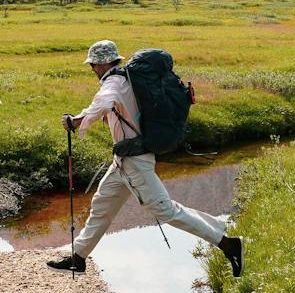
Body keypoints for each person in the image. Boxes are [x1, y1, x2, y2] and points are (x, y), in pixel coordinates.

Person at [47, 39, 244, 277]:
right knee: (102, 206)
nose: (92, 69)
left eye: (94, 64)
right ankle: (78, 257)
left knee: (166, 211)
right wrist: (82, 117)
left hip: (135, 163)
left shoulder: (114, 82)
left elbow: (103, 102)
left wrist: (77, 122)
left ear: (103, 62)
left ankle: (228, 243)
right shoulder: (127, 79)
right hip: (123, 161)